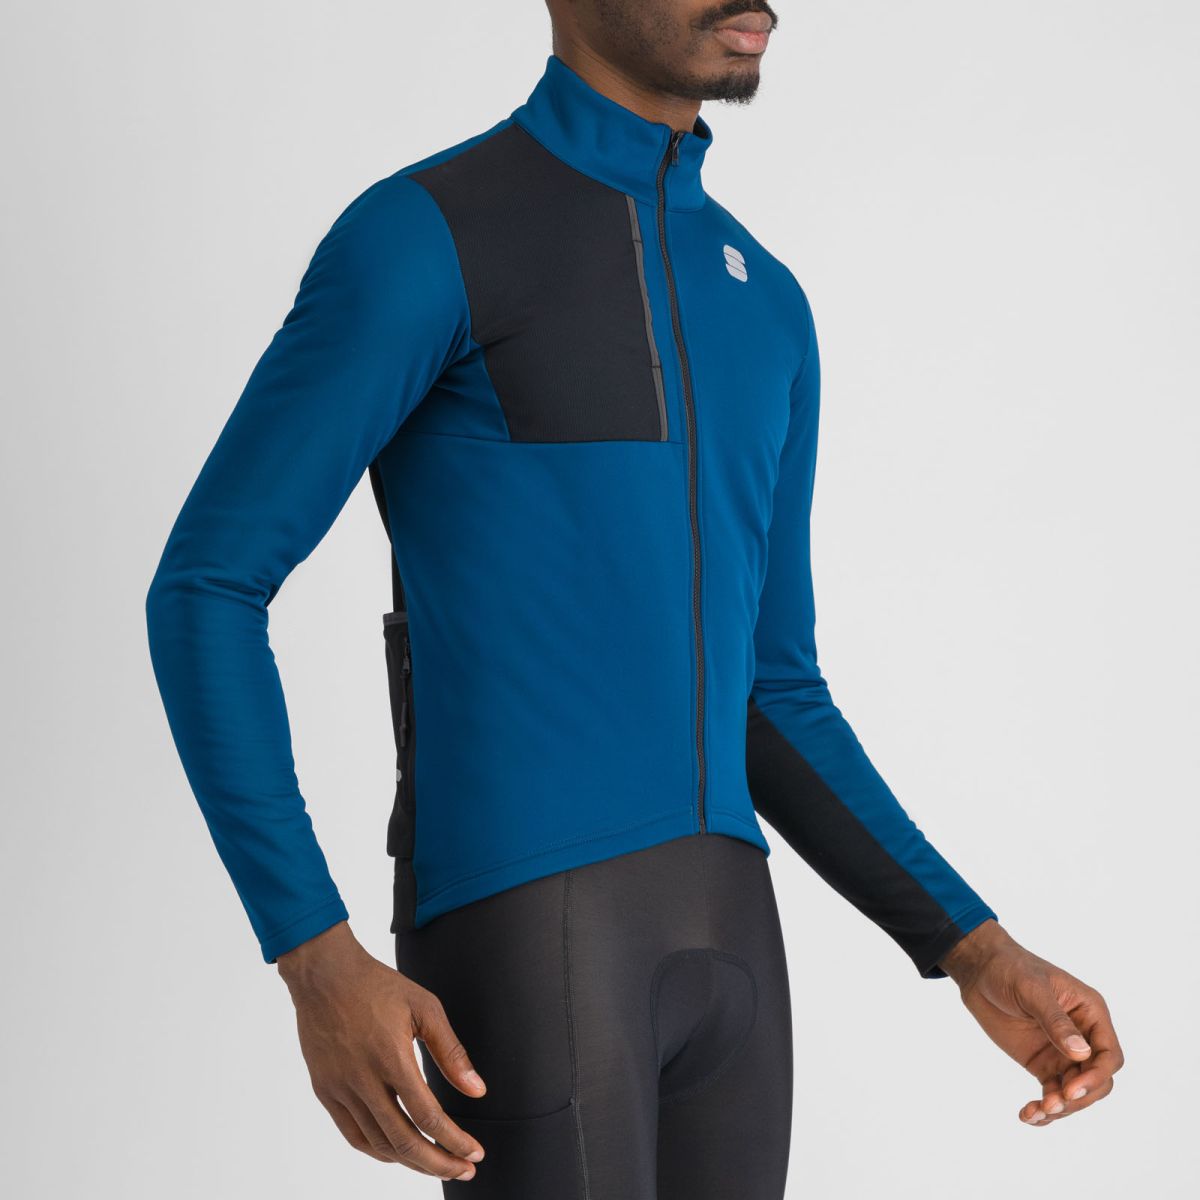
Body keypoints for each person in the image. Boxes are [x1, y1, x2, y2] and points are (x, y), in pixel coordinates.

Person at [145, 2, 1124, 1195]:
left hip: (734, 948)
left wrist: (974, 947)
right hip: (529, 930)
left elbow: (772, 690)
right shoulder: (428, 234)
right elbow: (208, 585)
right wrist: (313, 951)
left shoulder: (767, 301)